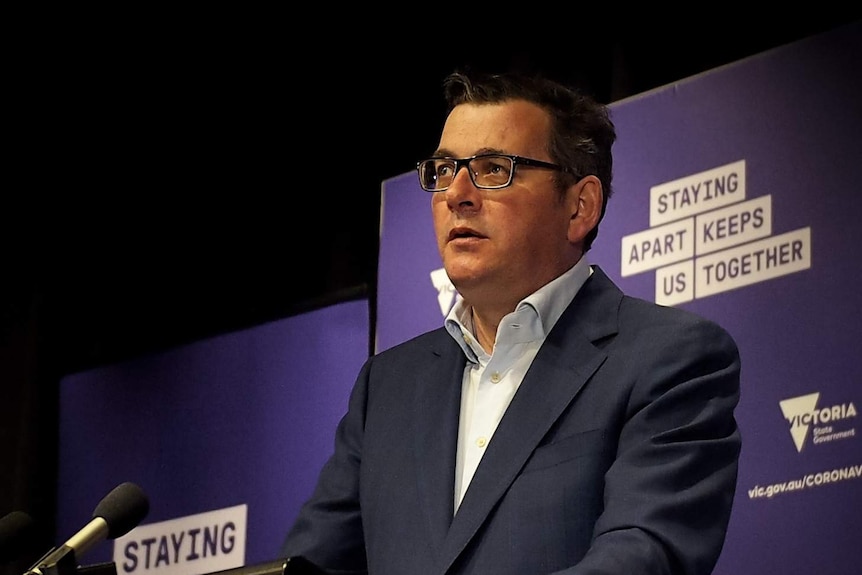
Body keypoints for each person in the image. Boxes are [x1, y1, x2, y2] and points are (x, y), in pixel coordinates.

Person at [281, 69, 742, 575]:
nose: (457, 193)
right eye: (443, 170)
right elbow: (310, 567)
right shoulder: (385, 388)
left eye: (494, 168)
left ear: (579, 206)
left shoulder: (669, 357)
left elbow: (644, 555)